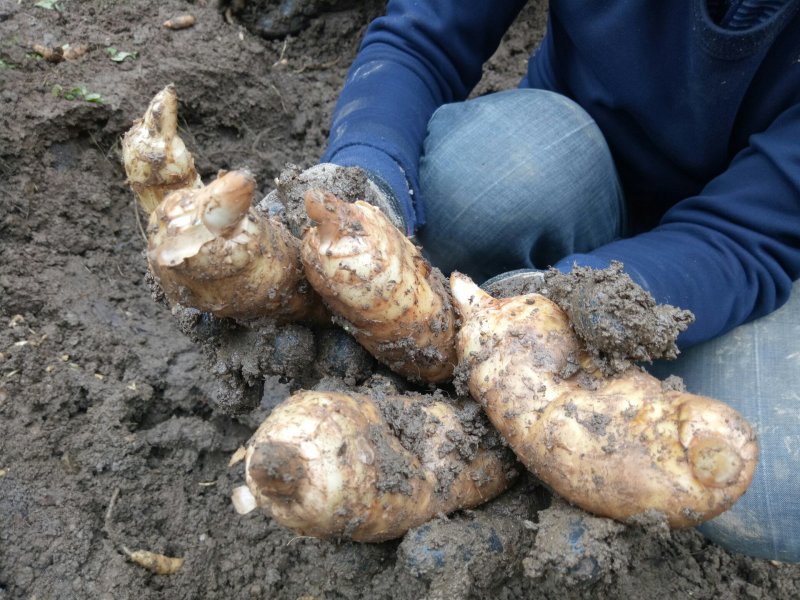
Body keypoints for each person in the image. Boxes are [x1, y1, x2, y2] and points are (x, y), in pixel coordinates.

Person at [282, 1, 800, 562]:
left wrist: (564, 303)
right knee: (479, 185)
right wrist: (363, 180)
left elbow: (746, 239)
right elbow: (420, 36)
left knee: (780, 487)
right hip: (568, 169)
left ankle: (559, 439)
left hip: (727, 267)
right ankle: (504, 399)